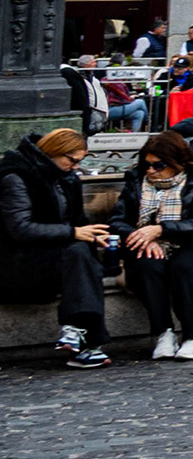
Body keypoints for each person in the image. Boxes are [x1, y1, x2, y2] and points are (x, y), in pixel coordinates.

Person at [2, 126, 116, 367]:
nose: (75, 167)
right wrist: (74, 233)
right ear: (53, 152)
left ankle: (76, 334)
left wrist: (92, 235)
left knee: (82, 255)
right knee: (80, 255)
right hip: (17, 262)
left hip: (56, 257)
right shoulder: (16, 177)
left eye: (80, 162)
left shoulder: (66, 178)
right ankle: (86, 343)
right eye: (72, 160)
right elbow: (20, 229)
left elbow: (77, 222)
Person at [110, 128, 193, 360]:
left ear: (177, 163)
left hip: (189, 243)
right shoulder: (137, 180)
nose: (150, 171)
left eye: (158, 165)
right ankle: (163, 333)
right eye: (147, 165)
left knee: (184, 267)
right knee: (148, 265)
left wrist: (161, 230)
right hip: (145, 244)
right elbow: (117, 220)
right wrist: (140, 236)